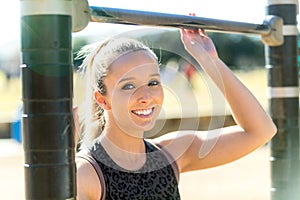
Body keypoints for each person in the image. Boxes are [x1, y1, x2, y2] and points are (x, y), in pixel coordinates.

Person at [74, 29, 277, 200]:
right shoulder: (86, 172)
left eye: (153, 83)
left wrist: (210, 61)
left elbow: (260, 131)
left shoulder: (170, 156)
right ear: (102, 99)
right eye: (128, 86)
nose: (146, 96)